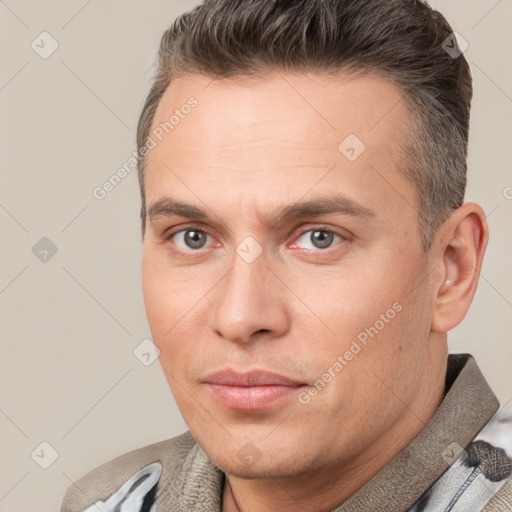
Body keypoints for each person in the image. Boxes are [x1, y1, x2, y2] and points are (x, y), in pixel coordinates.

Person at [60, 0, 512, 510]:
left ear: (452, 268)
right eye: (193, 236)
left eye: (320, 237)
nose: (240, 316)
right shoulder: (108, 501)